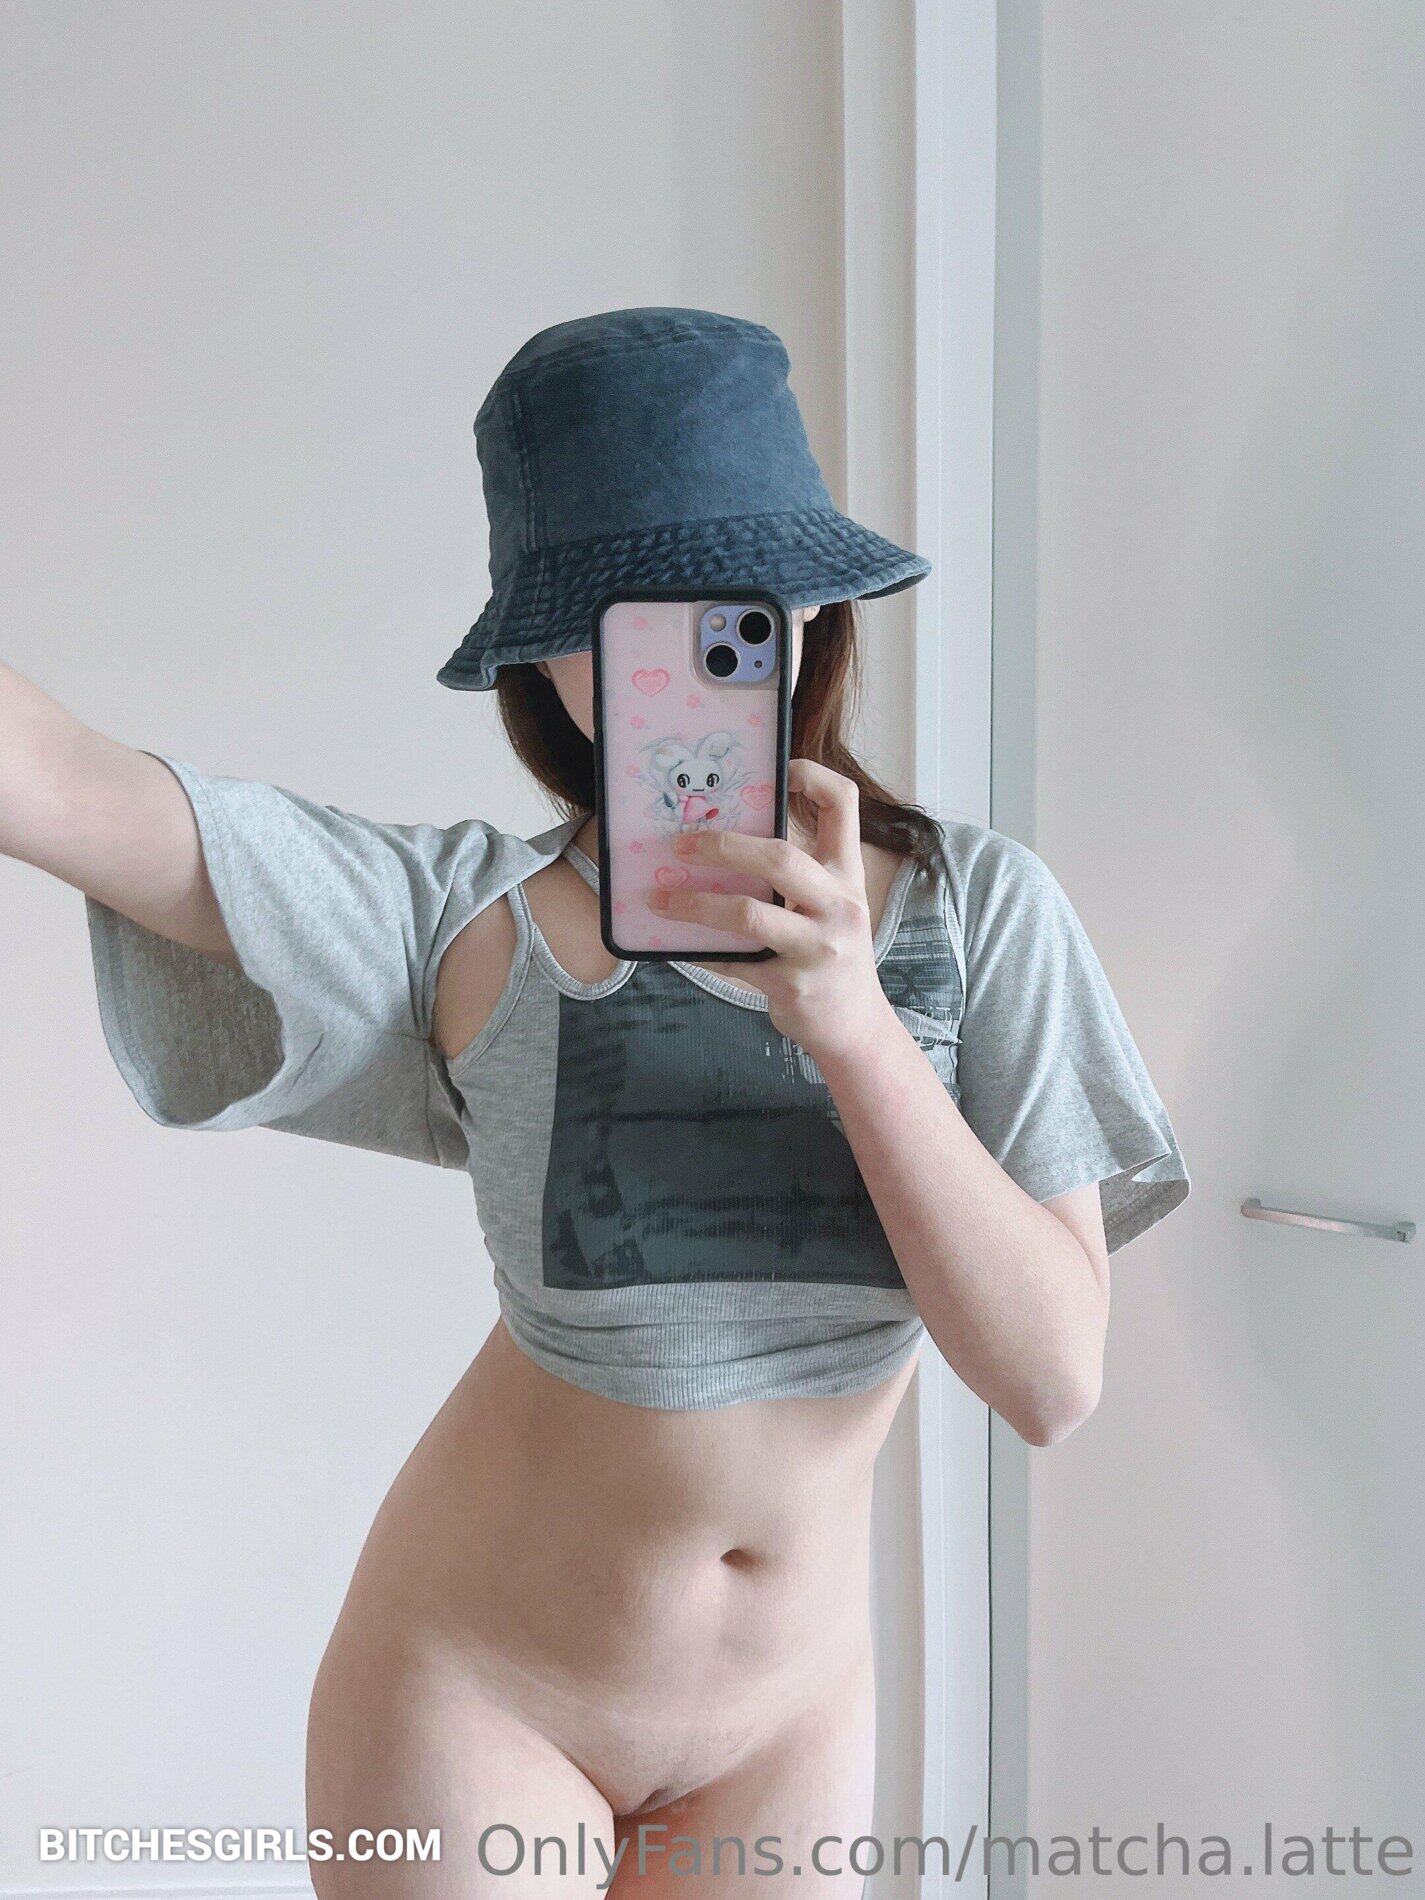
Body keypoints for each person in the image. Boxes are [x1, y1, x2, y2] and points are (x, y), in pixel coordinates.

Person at [0, 308, 1188, 1896]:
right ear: (541, 656)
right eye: (613, 617)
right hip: (479, 1688)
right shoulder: (457, 920)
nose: (669, 657)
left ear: (802, 617)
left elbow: (1048, 1379)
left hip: (789, 1718)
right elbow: (60, 782)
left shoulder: (982, 917)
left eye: (723, 608)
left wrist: (850, 1024)